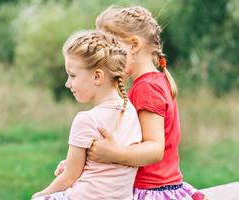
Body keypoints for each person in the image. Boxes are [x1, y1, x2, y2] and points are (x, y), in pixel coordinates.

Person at [55, 5, 207, 200]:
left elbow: (154, 149)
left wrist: (114, 153)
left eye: (112, 47)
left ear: (133, 45)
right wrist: (77, 163)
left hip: (150, 191)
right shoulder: (152, 82)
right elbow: (127, 142)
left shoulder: (147, 88)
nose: (106, 55)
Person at [31, 30, 142, 200]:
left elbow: (70, 177)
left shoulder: (86, 120)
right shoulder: (130, 111)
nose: (67, 84)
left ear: (97, 76)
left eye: (72, 75)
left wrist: (41, 194)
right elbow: (113, 167)